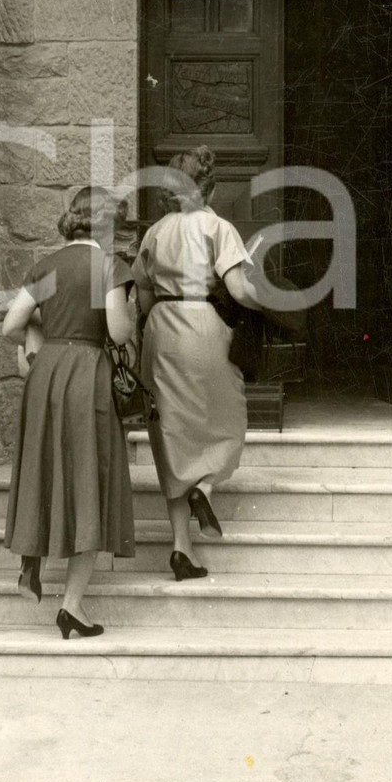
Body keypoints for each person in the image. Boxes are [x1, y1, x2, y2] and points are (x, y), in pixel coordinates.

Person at [1, 185, 136, 640]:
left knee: (43, 466)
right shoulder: (108, 266)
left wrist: (44, 331)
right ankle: (71, 606)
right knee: (89, 482)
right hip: (87, 375)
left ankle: (30, 563)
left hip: (47, 374)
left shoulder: (47, 266)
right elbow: (117, 333)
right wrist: (131, 313)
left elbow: (11, 326)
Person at [132, 146, 260, 580]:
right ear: (210, 187)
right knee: (226, 416)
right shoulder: (218, 227)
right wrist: (267, 304)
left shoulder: (153, 232)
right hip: (202, 322)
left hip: (162, 328)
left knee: (170, 434)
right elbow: (239, 291)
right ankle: (204, 487)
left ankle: (181, 548)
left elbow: (143, 296)